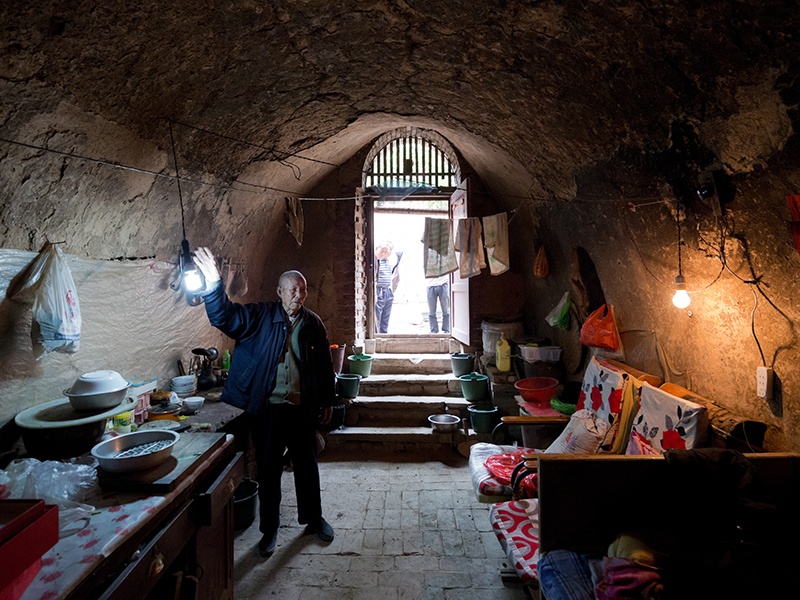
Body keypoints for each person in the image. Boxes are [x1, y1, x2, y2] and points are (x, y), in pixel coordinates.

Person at [193, 247, 336, 558]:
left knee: (308, 466)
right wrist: (214, 283)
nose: (297, 295)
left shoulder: (313, 324)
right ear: (279, 292)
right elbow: (224, 316)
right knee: (269, 471)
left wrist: (328, 400)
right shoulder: (258, 317)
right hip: (268, 409)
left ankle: (313, 518)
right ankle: (269, 529)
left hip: (301, 409)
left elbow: (325, 365)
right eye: (291, 289)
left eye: (302, 289)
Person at [374, 241, 402, 333]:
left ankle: (384, 334)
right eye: (384, 251)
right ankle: (377, 334)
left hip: (388, 290)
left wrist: (392, 290)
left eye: (388, 251)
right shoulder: (377, 260)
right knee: (377, 315)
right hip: (379, 290)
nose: (386, 253)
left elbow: (395, 276)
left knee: (386, 317)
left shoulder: (390, 261)